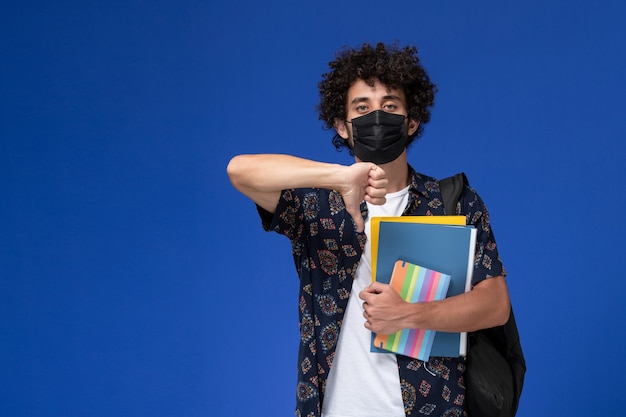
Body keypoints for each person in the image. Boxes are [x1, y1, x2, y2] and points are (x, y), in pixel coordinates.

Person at [227, 42, 510, 417]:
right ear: (342, 126)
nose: (377, 116)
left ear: (412, 121)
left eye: (390, 106)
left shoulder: (453, 202)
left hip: (434, 407)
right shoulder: (317, 204)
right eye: (362, 108)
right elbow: (240, 171)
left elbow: (495, 304)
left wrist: (409, 314)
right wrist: (340, 178)